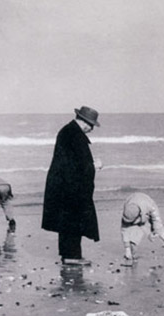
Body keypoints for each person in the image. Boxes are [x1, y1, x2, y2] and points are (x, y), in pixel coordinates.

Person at [42, 106, 102, 266]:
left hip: (62, 185)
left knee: (66, 221)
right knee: (74, 220)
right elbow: (80, 165)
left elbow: (70, 162)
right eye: (91, 125)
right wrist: (95, 165)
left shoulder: (67, 131)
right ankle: (72, 257)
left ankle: (68, 255)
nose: (91, 129)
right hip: (70, 187)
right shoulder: (75, 135)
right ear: (85, 122)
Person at [120, 192, 164, 265]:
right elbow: (124, 229)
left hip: (147, 204)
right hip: (134, 202)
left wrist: (154, 231)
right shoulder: (128, 210)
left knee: (159, 229)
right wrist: (127, 249)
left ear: (139, 216)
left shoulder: (150, 206)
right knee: (133, 238)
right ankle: (132, 255)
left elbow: (157, 223)